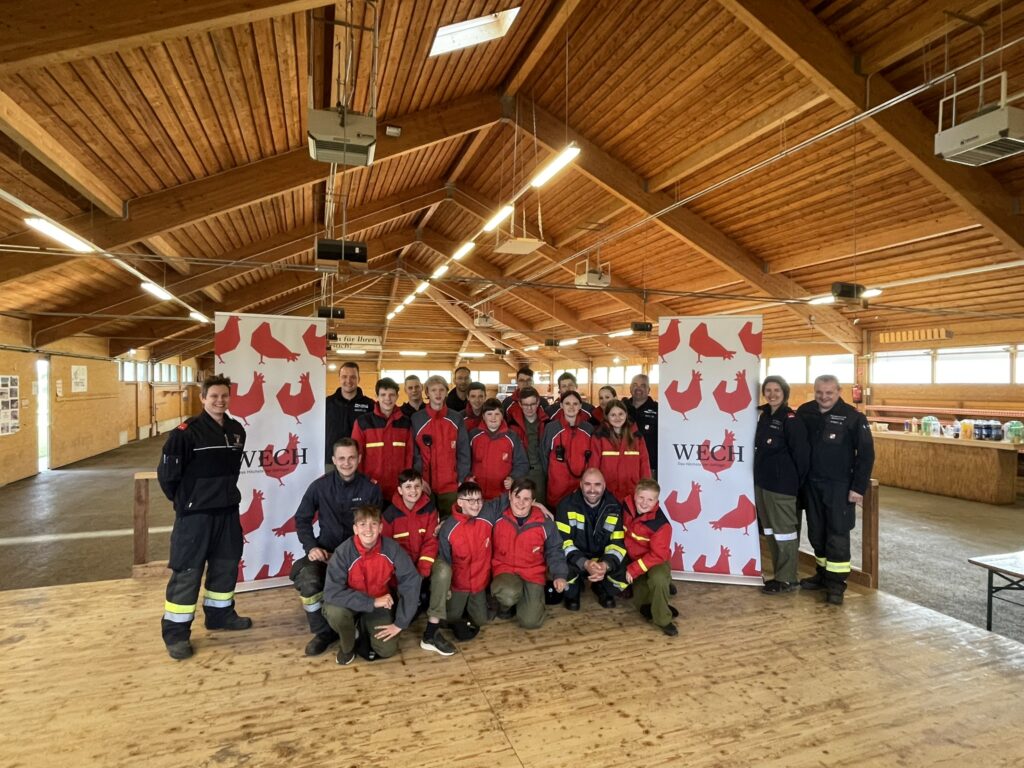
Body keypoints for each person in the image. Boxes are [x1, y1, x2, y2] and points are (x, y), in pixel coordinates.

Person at [157, 374, 249, 660]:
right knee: (187, 572)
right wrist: (188, 502)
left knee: (226, 565)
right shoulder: (185, 433)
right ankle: (176, 634)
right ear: (203, 398)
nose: (220, 401)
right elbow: (168, 477)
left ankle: (220, 615)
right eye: (214, 396)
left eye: (224, 396)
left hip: (227, 512)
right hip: (195, 517)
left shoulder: (236, 431)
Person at [289, 438, 382, 657]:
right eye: (341, 458)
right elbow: (302, 519)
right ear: (333, 460)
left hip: (359, 556)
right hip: (326, 553)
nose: (346, 463)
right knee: (308, 580)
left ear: (359, 459)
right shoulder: (319, 486)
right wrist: (311, 547)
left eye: (351, 458)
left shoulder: (370, 488)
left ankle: (358, 625)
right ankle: (323, 633)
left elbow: (377, 527)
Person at [796, 375, 874, 606]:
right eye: (819, 392)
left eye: (829, 392)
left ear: (839, 391)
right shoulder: (805, 412)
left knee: (837, 535)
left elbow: (866, 455)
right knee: (816, 533)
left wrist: (858, 488)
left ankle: (836, 585)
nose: (824, 397)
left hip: (839, 487)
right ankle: (822, 575)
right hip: (811, 484)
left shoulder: (853, 417)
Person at [322, 505, 421, 665]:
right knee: (335, 612)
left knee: (387, 650)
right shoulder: (343, 552)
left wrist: (400, 623)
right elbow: (331, 592)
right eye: (362, 524)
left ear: (380, 527)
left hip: (380, 602)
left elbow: (411, 581)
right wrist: (371, 602)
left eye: (373, 524)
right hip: (350, 603)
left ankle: (363, 625)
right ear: (355, 529)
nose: (368, 529)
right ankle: (348, 646)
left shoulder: (392, 549)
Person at [382, 469, 456, 656]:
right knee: (405, 616)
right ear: (400, 490)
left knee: (444, 570)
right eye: (408, 487)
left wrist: (423, 570)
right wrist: (408, 575)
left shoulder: (430, 509)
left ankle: (431, 632)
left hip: (425, 563)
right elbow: (388, 550)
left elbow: (431, 541)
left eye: (417, 486)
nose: (413, 491)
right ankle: (415, 603)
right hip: (402, 571)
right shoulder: (389, 515)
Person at [755, 376, 810, 595]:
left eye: (777, 390)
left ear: (785, 392)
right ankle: (780, 575)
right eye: (768, 390)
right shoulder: (764, 416)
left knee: (784, 532)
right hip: (763, 483)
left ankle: (788, 578)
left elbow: (802, 456)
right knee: (770, 531)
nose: (772, 394)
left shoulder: (791, 419)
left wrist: (794, 483)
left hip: (781, 486)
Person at [489, 478, 568, 629]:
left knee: (531, 622)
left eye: (526, 499)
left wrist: (559, 575)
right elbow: (475, 510)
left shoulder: (545, 522)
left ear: (533, 501)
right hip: (505, 570)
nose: (521, 503)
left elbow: (555, 550)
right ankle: (505, 606)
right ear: (509, 496)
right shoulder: (498, 515)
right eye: (517, 497)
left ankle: (528, 601)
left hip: (533, 573)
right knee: (508, 594)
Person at [428, 481, 495, 645]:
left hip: (479, 583)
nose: (476, 504)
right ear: (460, 502)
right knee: (449, 619)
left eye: (479, 500)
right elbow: (445, 561)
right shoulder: (448, 528)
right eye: (470, 500)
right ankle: (460, 606)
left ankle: (483, 602)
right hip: (459, 584)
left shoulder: (487, 514)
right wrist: (448, 588)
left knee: (482, 620)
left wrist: (539, 506)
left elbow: (509, 499)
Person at [555, 468, 626, 611]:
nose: (592, 490)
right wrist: (585, 563)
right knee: (560, 562)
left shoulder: (615, 507)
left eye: (597, 485)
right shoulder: (566, 506)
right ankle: (573, 589)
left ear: (604, 485)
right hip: (576, 559)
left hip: (602, 559)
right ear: (581, 485)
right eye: (587, 484)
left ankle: (603, 587)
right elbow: (563, 543)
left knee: (625, 564)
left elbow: (617, 544)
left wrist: (605, 565)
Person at [621, 478, 677, 636]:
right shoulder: (624, 506)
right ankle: (655, 600)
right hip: (632, 557)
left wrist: (633, 569)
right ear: (635, 495)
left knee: (658, 579)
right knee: (642, 605)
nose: (644, 503)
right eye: (641, 497)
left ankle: (663, 619)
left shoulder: (662, 525)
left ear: (656, 501)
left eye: (650, 500)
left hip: (654, 560)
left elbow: (658, 555)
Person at [411, 375, 471, 517]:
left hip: (451, 486)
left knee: (451, 523)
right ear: (427, 393)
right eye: (433, 390)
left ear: (446, 392)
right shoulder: (417, 419)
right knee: (426, 523)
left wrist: (461, 479)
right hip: (425, 485)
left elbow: (464, 451)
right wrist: (419, 479)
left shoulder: (456, 418)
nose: (438, 394)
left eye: (441, 390)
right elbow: (413, 452)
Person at [351, 377, 413, 500]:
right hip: (370, 488)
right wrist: (362, 483)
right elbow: (356, 455)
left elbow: (409, 456)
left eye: (391, 395)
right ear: (377, 397)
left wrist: (406, 482)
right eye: (383, 395)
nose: (387, 399)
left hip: (398, 489)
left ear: (397, 396)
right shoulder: (363, 422)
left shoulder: (406, 423)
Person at [542, 390, 595, 508]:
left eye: (575, 404)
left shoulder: (588, 429)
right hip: (557, 488)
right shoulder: (551, 428)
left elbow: (592, 458)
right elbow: (544, 456)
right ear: (561, 405)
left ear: (580, 406)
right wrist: (553, 476)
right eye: (567, 403)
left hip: (581, 487)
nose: (571, 407)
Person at [592, 399, 652, 503]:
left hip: (632, 493)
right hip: (607, 494)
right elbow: (593, 467)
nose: (617, 418)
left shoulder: (637, 437)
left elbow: (644, 464)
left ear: (626, 415)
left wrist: (645, 490)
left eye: (621, 414)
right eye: (613, 415)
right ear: (607, 416)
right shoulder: (598, 437)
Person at [469, 398, 529, 500]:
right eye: (489, 414)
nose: (493, 417)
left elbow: (522, 463)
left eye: (497, 414)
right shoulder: (473, 435)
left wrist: (513, 478)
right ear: (483, 416)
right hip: (477, 494)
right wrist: (468, 478)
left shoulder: (512, 437)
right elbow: (464, 460)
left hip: (503, 496)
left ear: (502, 416)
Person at [325, 361, 374, 466]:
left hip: (360, 461)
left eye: (353, 377)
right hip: (332, 462)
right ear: (339, 378)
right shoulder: (327, 403)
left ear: (358, 379)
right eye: (344, 377)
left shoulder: (370, 405)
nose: (348, 380)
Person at [507, 386, 549, 504]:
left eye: (532, 404)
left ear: (538, 402)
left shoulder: (546, 423)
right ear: (520, 404)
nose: (529, 408)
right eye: (526, 404)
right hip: (519, 473)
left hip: (539, 473)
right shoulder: (512, 424)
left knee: (539, 505)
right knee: (520, 505)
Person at [626, 373, 659, 476]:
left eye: (643, 385)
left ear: (649, 390)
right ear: (630, 388)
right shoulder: (622, 408)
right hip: (625, 465)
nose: (638, 388)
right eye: (635, 385)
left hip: (649, 467)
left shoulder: (658, 410)